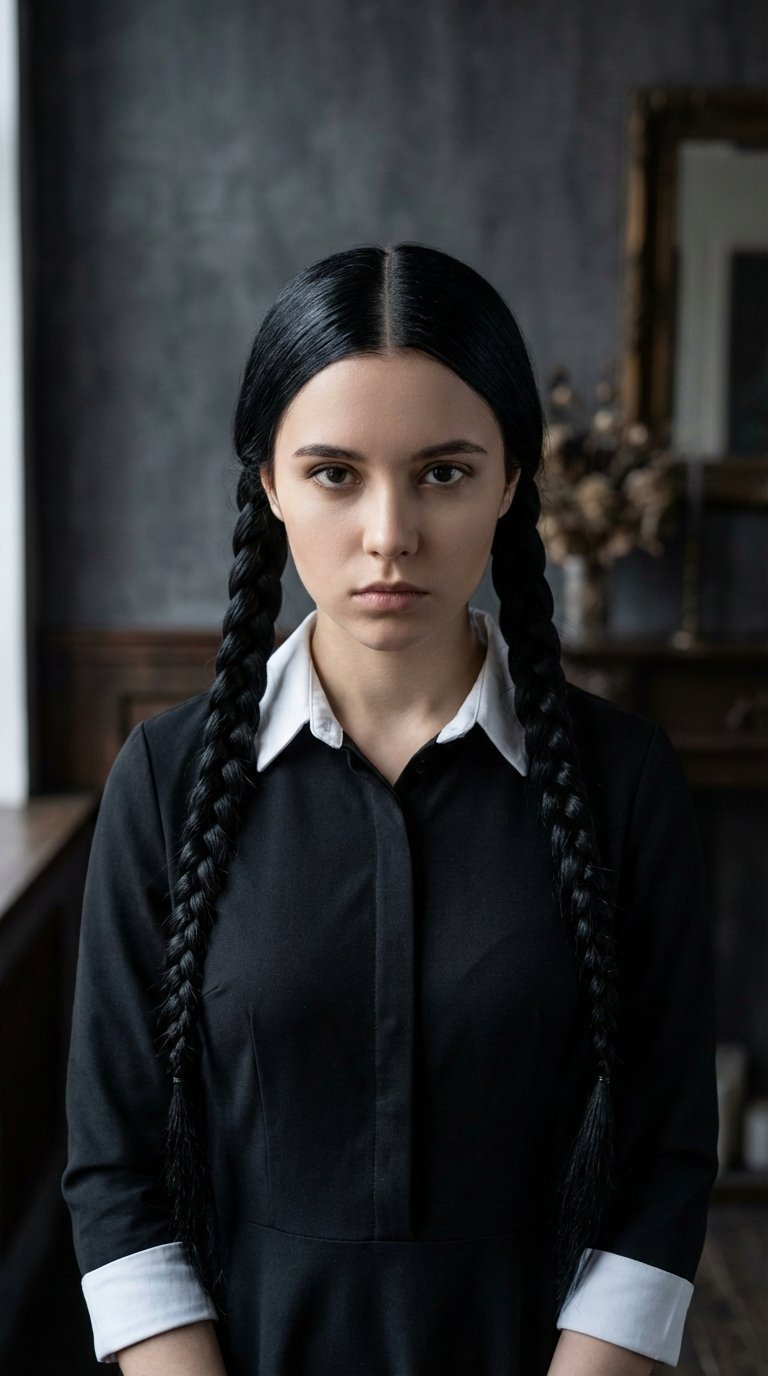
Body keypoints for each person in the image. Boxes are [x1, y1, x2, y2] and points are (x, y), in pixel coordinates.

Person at [61, 242, 719, 1376]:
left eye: (444, 472)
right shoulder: (164, 780)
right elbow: (115, 1171)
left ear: (514, 480)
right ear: (267, 480)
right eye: (333, 473)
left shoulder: (628, 783)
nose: (389, 534)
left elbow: (660, 1160)